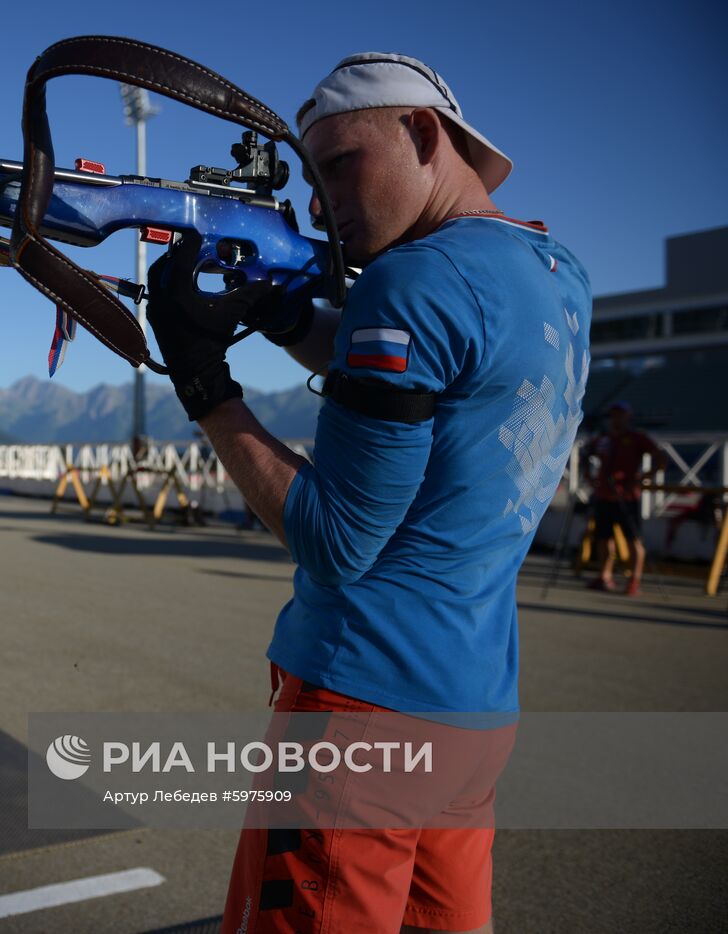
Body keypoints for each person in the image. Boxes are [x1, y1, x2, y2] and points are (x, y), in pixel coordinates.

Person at [144, 53, 592, 933]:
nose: (318, 203)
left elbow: (336, 539)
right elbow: (432, 380)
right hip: (472, 707)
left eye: (339, 164)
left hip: (360, 713)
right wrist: (280, 317)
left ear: (422, 132)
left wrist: (204, 383)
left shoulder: (407, 281)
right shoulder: (554, 270)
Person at [585, 401, 666, 596]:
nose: (615, 418)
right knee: (604, 538)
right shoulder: (603, 438)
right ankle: (604, 575)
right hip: (604, 495)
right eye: (613, 415)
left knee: (633, 539)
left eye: (619, 414)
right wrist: (588, 476)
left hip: (627, 497)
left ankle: (634, 580)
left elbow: (660, 456)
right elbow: (587, 453)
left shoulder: (637, 438)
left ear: (628, 416)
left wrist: (641, 478)